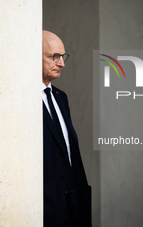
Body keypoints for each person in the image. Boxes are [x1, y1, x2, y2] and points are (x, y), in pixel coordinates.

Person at [42, 30, 91, 227]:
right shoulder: (19, 99)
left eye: (63, 57)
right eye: (54, 57)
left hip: (74, 209)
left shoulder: (61, 97)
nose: (62, 63)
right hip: (46, 212)